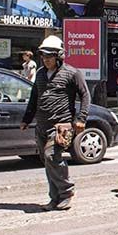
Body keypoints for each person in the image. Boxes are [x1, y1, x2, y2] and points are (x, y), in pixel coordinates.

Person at [21, 35, 89, 210]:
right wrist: (27, 119)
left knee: (52, 157)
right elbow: (34, 97)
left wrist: (81, 118)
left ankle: (66, 192)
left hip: (61, 125)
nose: (46, 59)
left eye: (49, 56)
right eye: (43, 56)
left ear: (59, 56)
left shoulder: (72, 73)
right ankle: (55, 198)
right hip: (42, 125)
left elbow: (85, 95)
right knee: (47, 161)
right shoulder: (41, 74)